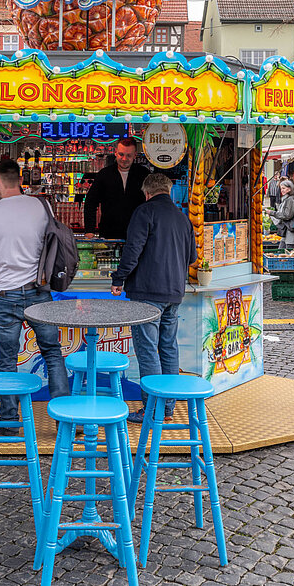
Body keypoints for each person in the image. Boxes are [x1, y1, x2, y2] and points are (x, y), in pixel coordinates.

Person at [0, 159, 70, 434]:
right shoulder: (42, 206)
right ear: (20, 180)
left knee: (7, 359)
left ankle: (9, 419)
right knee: (52, 353)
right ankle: (64, 417)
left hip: (6, 294)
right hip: (39, 291)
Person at [112, 172, 198, 423]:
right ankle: (168, 408)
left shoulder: (144, 212)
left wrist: (119, 278)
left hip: (147, 293)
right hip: (174, 293)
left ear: (146, 192)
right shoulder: (183, 219)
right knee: (168, 348)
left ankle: (152, 410)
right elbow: (192, 258)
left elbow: (132, 251)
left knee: (148, 350)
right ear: (169, 191)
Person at [83, 136, 149, 240]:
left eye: (129, 156)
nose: (124, 159)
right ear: (115, 152)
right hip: (109, 234)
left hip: (138, 234)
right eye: (121, 154)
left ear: (135, 155)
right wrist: (89, 231)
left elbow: (153, 204)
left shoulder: (144, 175)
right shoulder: (104, 175)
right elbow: (90, 203)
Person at [269, 180, 294, 250]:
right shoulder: (287, 199)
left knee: (289, 250)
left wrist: (272, 213)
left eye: (283, 188)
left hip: (291, 229)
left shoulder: (291, 199)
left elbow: (287, 215)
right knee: (281, 249)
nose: (282, 190)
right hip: (287, 229)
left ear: (289, 189)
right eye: (281, 188)